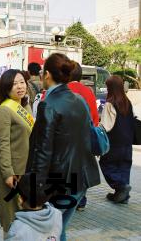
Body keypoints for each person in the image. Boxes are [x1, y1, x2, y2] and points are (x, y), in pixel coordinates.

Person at [22, 53, 100, 241]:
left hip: (60, 181)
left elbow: (42, 150)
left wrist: (35, 191)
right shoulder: (79, 100)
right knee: (59, 228)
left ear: (47, 74)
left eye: (42, 72)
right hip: (81, 178)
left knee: (53, 230)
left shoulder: (48, 104)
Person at [0, 69, 34, 236]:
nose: (19, 86)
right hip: (14, 171)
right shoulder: (5, 109)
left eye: (21, 82)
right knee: (12, 218)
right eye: (14, 84)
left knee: (27, 216)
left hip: (27, 169)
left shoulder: (25, 105)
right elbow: (3, 144)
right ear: (6, 88)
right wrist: (7, 173)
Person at [67, 62, 100, 211]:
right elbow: (94, 116)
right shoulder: (88, 92)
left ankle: (70, 199)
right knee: (82, 168)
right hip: (85, 137)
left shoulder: (62, 90)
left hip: (66, 139)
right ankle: (81, 200)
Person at [100, 75, 134, 204]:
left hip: (114, 142)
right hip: (127, 142)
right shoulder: (127, 102)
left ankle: (120, 187)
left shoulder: (110, 103)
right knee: (124, 167)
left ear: (111, 88)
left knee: (105, 164)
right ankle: (122, 196)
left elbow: (106, 126)